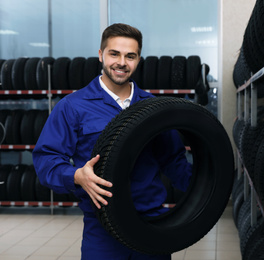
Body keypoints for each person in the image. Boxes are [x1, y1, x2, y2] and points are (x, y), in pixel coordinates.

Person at [32, 23, 192, 260]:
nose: (121, 62)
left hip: (151, 222)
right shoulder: (73, 106)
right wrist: (76, 176)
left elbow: (174, 161)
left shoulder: (155, 108)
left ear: (138, 59)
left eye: (130, 56)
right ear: (101, 55)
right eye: (114, 53)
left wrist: (211, 188)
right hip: (102, 226)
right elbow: (46, 160)